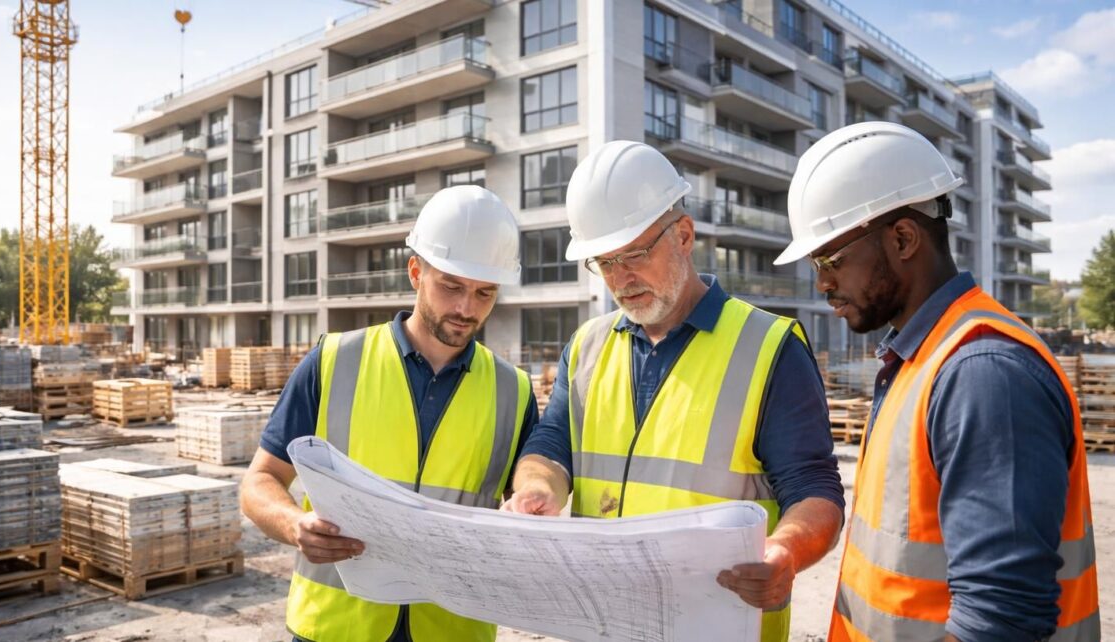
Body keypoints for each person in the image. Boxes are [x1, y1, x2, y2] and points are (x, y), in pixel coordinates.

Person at [503, 140, 844, 642]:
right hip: (605, 625)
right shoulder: (588, 346)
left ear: (683, 235)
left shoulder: (768, 348)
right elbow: (551, 446)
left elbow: (815, 490)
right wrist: (537, 487)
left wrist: (786, 552)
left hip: (718, 626)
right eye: (604, 261)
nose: (620, 278)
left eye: (635, 254)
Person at [772, 121, 1100, 641]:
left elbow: (1001, 619)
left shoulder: (982, 373)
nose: (823, 283)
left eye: (831, 259)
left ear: (903, 238)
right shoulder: (920, 359)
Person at [239, 186, 539, 642]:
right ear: (416, 271)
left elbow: (523, 507)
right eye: (452, 286)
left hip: (452, 629)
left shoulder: (513, 390)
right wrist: (295, 524)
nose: (466, 308)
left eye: (485, 292)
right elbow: (259, 482)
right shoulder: (334, 360)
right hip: (336, 627)